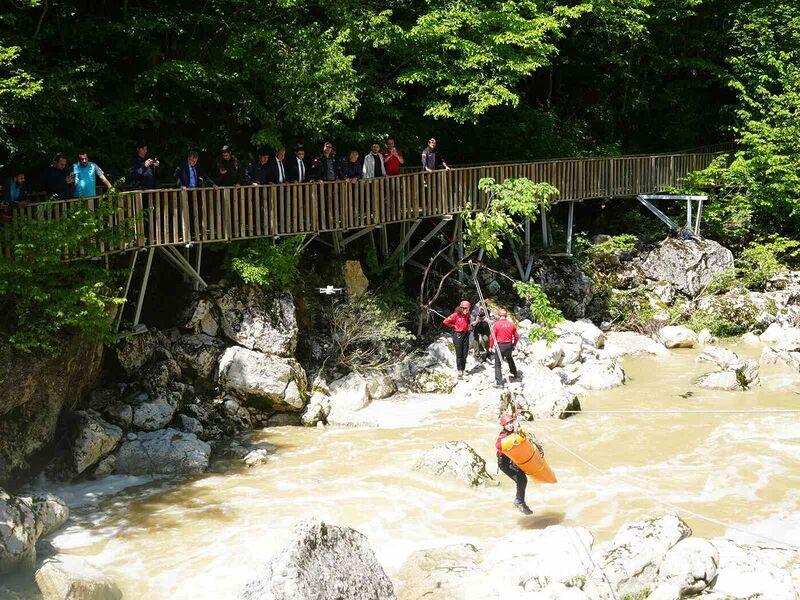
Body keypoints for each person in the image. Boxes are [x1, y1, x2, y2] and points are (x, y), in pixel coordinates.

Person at [496, 413, 533, 515]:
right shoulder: (503, 435)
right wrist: (514, 437)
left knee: (523, 478)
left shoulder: (513, 429)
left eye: (511, 422)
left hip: (513, 459)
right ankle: (519, 502)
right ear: (504, 426)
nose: (510, 425)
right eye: (508, 424)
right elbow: (498, 445)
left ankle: (520, 501)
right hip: (505, 463)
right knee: (521, 479)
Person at [490, 308, 519, 387]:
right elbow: (517, 336)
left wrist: (491, 346)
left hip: (500, 345)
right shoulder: (511, 324)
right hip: (509, 345)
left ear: (499, 315)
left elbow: (492, 336)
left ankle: (499, 382)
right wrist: (514, 345)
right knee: (509, 358)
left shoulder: (496, 324)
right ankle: (514, 373)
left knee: (498, 364)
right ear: (506, 315)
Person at [443, 300, 471, 378]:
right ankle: (459, 370)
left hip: (466, 335)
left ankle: (463, 369)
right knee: (459, 354)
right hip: (458, 335)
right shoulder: (455, 315)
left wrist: (469, 327)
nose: (468, 310)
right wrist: (453, 326)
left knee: (465, 353)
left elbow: (467, 322)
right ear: (462, 308)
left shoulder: (467, 315)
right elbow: (445, 321)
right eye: (467, 309)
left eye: (468, 309)